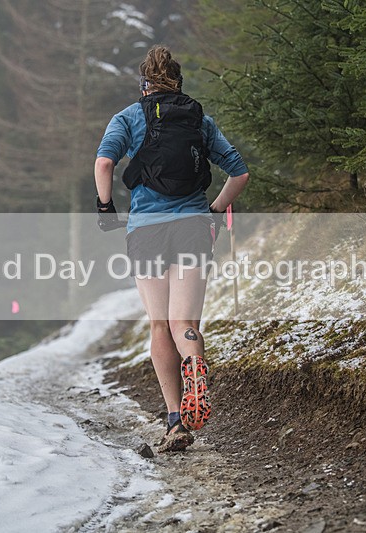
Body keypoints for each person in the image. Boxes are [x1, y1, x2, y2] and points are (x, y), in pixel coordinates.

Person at [94, 45, 249, 453]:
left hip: (146, 231)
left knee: (160, 324)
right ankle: (194, 362)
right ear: (178, 83)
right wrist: (215, 210)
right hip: (193, 227)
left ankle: (176, 420)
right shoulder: (199, 120)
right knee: (184, 321)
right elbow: (239, 173)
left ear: (144, 85)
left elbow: (105, 164)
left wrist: (106, 208)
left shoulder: (128, 117)